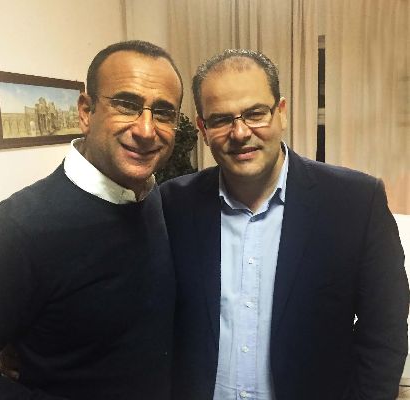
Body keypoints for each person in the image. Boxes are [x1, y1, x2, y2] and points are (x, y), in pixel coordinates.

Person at [0, 40, 183, 400]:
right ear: (85, 111)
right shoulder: (19, 228)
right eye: (126, 105)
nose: (146, 129)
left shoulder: (155, 200)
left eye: (163, 112)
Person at [160, 49, 408, 400]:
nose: (240, 132)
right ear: (203, 129)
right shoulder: (173, 204)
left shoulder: (356, 202)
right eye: (221, 120)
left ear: (281, 112)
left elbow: (385, 332)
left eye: (255, 114)